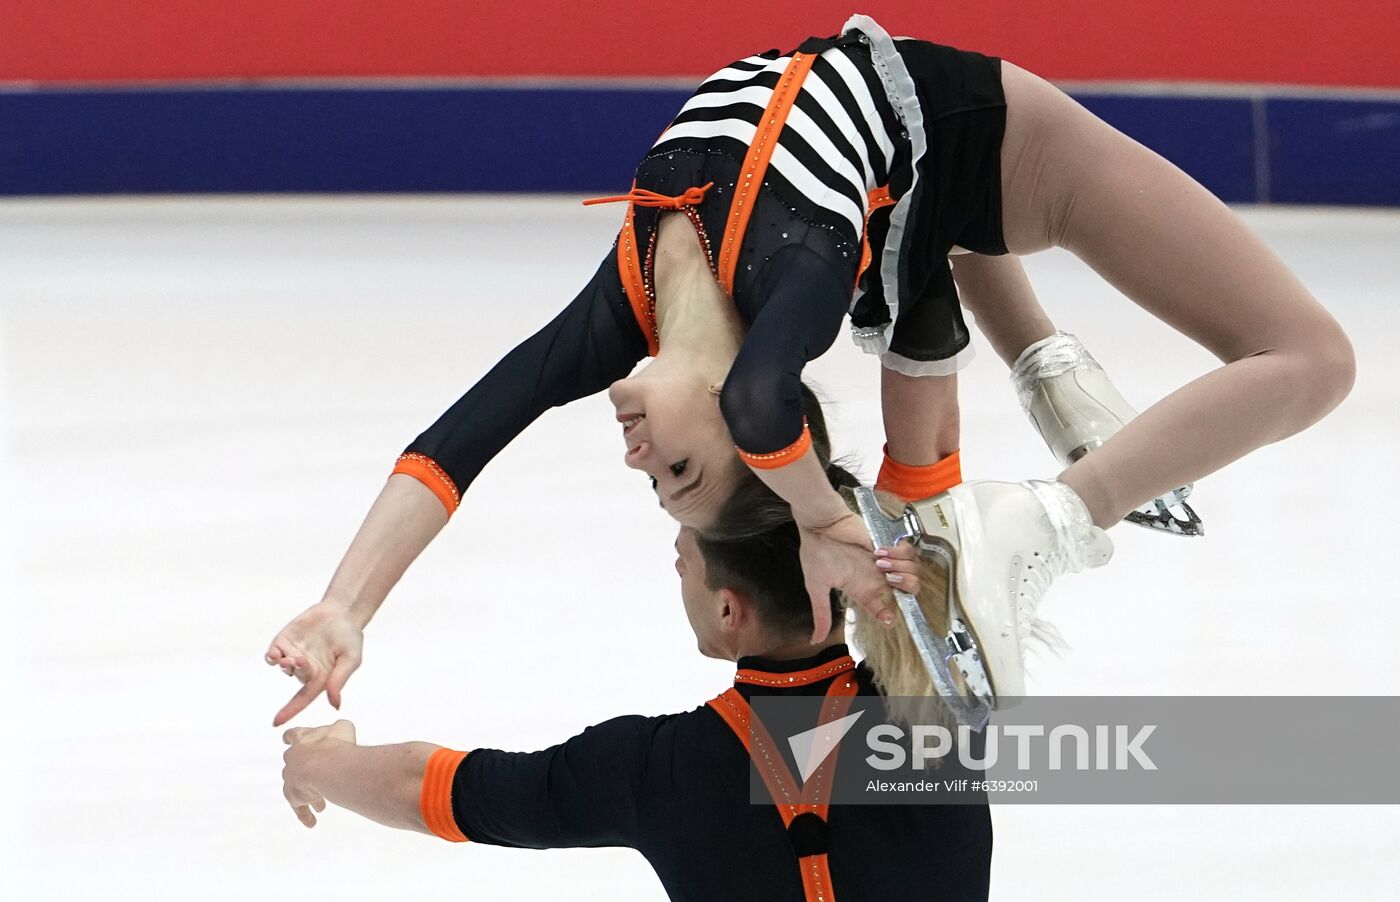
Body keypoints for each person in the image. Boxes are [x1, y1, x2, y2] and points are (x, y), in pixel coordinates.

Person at [267, 14, 1353, 725]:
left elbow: (453, 444)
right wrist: (826, 520)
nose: (638, 458)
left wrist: (345, 604)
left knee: (913, 289)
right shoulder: (795, 276)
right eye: (680, 472)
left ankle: (1044, 375)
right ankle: (1058, 514)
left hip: (908, 160)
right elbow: (760, 400)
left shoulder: (623, 304)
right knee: (1310, 359)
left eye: (655, 481)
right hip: (995, 141)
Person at [279, 472, 993, 902]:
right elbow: (928, 473)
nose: (677, 572)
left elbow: (431, 789)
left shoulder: (656, 772)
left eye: (683, 561)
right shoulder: (945, 711)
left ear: (730, 610)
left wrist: (319, 761)